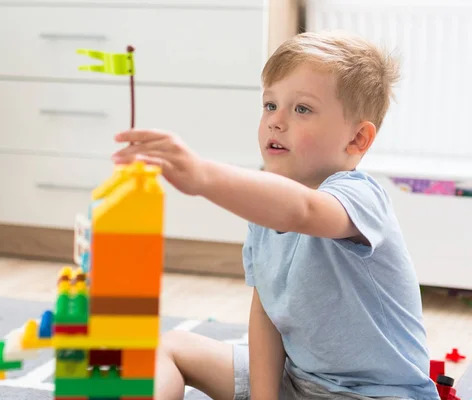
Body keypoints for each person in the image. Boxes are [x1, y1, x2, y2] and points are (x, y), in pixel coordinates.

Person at [111, 31, 440, 400]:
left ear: (358, 140)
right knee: (171, 346)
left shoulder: (360, 196)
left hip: (374, 395)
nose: (276, 121)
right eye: (270, 105)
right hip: (298, 381)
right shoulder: (264, 201)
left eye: (301, 109)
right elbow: (267, 311)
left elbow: (302, 210)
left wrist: (202, 176)